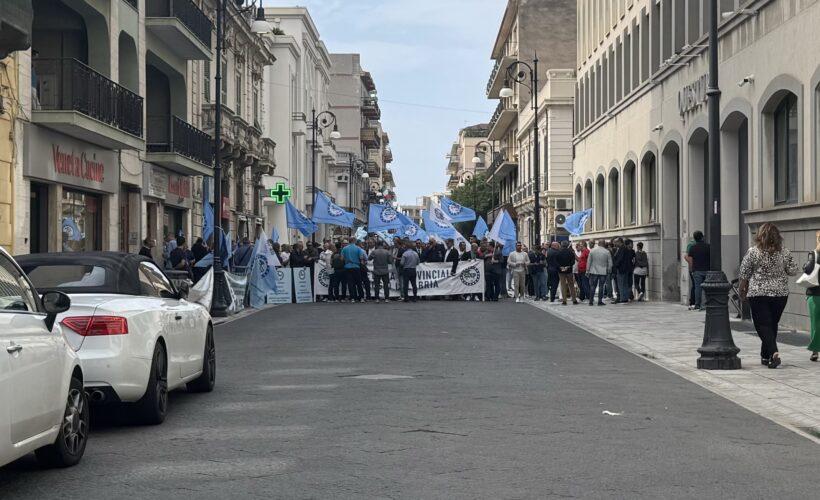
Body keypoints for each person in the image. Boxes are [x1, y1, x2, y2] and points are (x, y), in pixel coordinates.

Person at [738, 223, 798, 368]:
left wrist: (741, 290)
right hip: (780, 294)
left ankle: (774, 352)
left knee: (762, 324)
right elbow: (793, 271)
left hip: (759, 293)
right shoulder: (784, 252)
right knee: (771, 324)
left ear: (760, 236)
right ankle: (766, 356)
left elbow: (744, 273)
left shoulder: (753, 252)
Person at [802, 231, 820, 361]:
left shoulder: (814, 254)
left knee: (815, 323)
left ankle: (815, 351)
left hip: (815, 293)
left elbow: (807, 269)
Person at [686, 231, 710, 310]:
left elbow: (690, 260)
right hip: (707, 270)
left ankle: (697, 304)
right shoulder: (708, 246)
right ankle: (707, 303)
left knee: (697, 288)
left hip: (697, 270)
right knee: (707, 288)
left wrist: (692, 270)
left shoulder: (693, 248)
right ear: (702, 237)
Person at [587, 238, 613, 306]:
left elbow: (589, 261)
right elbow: (610, 263)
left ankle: (590, 301)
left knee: (593, 286)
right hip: (603, 271)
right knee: (601, 286)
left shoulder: (592, 251)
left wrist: (587, 271)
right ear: (604, 244)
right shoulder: (607, 252)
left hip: (594, 271)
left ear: (598, 244)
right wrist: (609, 270)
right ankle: (599, 301)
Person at [341, 238, 367, 303]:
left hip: (347, 267)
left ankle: (353, 298)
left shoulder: (344, 249)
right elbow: (361, 258)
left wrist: (347, 259)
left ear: (349, 241)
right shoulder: (358, 248)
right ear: (354, 241)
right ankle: (361, 297)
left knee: (350, 283)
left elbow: (341, 259)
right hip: (356, 267)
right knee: (359, 283)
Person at [557, 240, 578, 305]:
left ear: (561, 244)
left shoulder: (558, 252)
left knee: (563, 285)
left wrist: (561, 267)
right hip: (569, 271)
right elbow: (573, 262)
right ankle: (574, 300)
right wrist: (568, 266)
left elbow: (556, 261)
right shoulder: (570, 252)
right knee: (571, 285)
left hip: (561, 271)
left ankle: (564, 300)